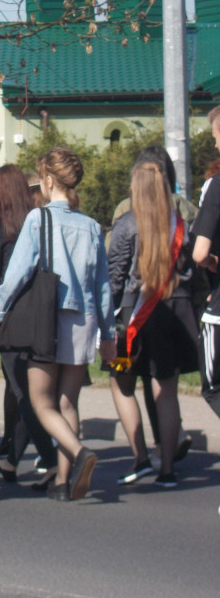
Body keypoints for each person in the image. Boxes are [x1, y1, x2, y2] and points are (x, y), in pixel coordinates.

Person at [0, 147, 116, 501]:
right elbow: (103, 287)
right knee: (68, 403)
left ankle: (79, 453)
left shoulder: (39, 220)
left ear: (47, 180)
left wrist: (0, 312)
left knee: (41, 402)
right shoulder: (93, 227)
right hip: (85, 321)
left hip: (48, 320)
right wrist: (108, 334)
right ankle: (64, 483)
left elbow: (17, 273)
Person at [108, 161, 198, 488]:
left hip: (133, 321)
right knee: (167, 391)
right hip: (175, 313)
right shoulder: (181, 225)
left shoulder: (127, 224)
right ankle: (168, 470)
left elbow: (115, 277)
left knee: (121, 382)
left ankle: (140, 458)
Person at [0, 165, 56, 485]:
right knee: (23, 386)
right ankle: (11, 458)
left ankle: (52, 458)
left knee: (23, 392)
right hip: (41, 314)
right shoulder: (37, 222)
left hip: (10, 316)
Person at [190, 105, 220, 423]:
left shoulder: (216, 186)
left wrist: (212, 263)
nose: (214, 144)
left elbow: (199, 253)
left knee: (213, 387)